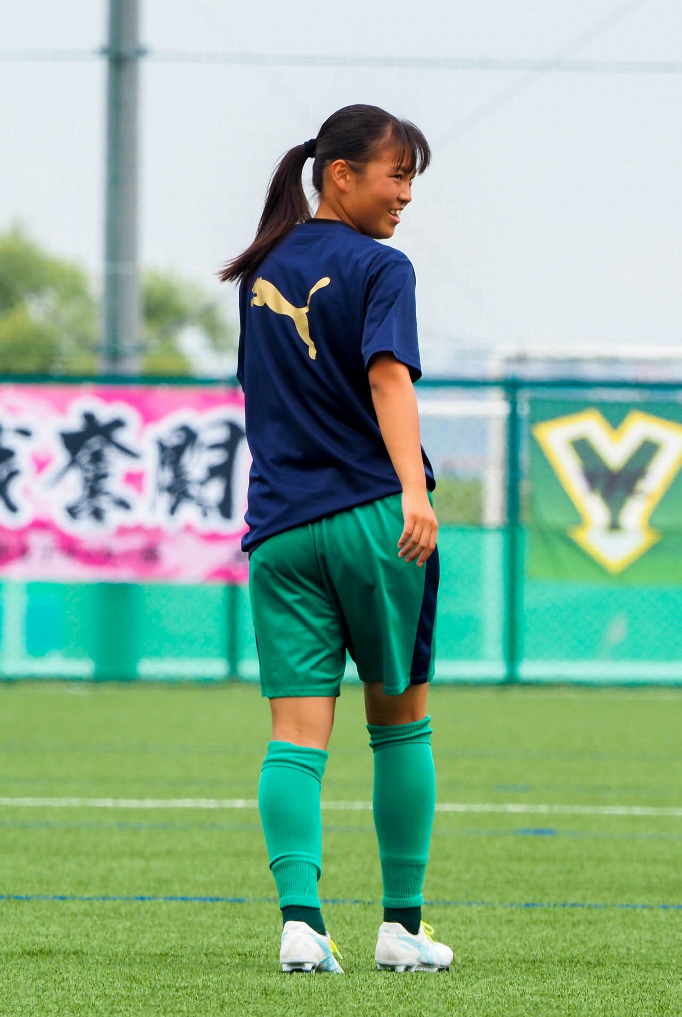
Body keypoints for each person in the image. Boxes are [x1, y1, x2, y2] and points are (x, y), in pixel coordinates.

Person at [219, 104, 452, 973]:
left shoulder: (259, 271)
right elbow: (388, 382)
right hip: (371, 521)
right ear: (341, 174)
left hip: (279, 531)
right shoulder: (382, 267)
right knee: (399, 725)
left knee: (294, 735)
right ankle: (401, 928)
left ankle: (302, 924)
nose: (405, 196)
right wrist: (411, 491)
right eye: (397, 175)